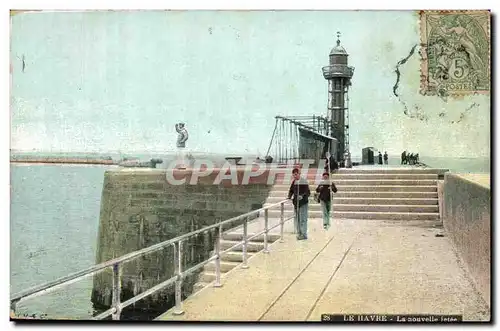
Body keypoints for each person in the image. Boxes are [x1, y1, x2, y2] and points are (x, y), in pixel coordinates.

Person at [288, 168, 310, 240]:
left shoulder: (304, 181)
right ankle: (299, 233)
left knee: (303, 219)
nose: (295, 176)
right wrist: (289, 196)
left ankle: (304, 234)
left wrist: (302, 196)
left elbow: (308, 192)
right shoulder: (294, 182)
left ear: (299, 174)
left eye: (296, 174)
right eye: (294, 175)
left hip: (303, 203)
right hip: (296, 203)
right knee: (297, 219)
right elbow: (291, 190)